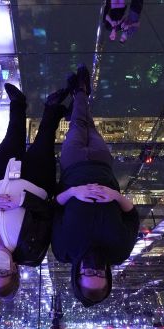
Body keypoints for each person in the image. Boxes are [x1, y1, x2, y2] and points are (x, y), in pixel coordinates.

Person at [0, 83, 68, 299]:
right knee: (45, 139)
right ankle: (52, 106)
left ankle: (18, 103)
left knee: (12, 136)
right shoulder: (32, 253)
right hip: (37, 181)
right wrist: (23, 200)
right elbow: (50, 214)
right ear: (15, 272)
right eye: (2, 272)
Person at [52, 64, 140, 307]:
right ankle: (80, 94)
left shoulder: (63, 251)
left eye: (88, 275)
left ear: (76, 276)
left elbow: (53, 211)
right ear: (108, 277)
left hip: (73, 166)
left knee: (80, 126)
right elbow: (133, 217)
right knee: (88, 127)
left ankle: (80, 91)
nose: (94, 270)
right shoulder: (120, 251)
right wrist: (115, 195)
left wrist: (72, 192)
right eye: (100, 275)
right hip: (102, 166)